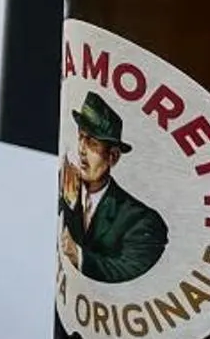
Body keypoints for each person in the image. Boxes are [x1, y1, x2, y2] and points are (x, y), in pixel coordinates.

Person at [58, 94, 167, 284]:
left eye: (92, 143)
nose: (81, 150)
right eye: (81, 138)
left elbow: (130, 269)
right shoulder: (69, 191)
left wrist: (79, 256)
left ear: (113, 157)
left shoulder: (141, 220)